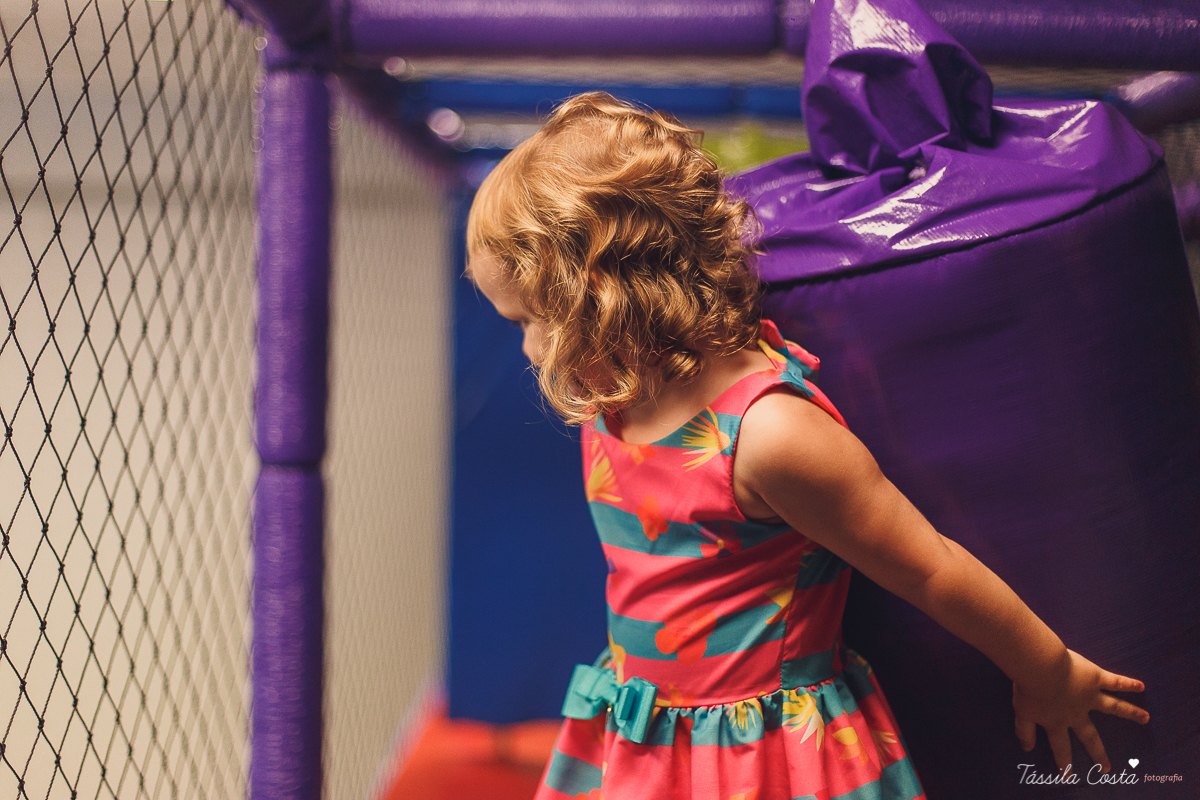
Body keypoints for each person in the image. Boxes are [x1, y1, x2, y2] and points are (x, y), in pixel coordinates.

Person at [465, 91, 1149, 800]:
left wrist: (1047, 669)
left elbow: (928, 568)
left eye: (529, 320)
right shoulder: (613, 401)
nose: (528, 348)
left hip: (763, 756)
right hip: (648, 734)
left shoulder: (769, 435)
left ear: (599, 297)